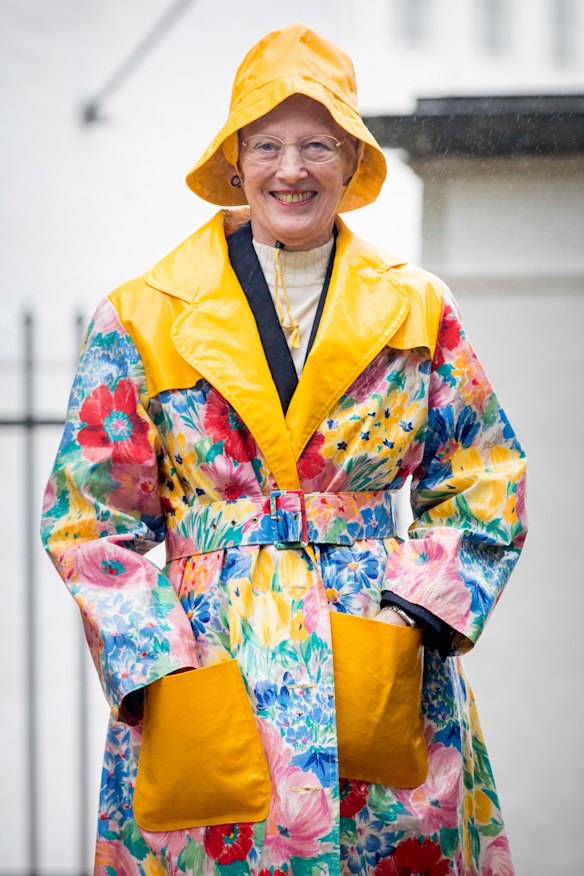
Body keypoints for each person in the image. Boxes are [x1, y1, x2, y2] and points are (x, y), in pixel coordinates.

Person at [41, 23, 527, 876]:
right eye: (266, 144)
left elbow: (485, 477)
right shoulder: (143, 314)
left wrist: (408, 617)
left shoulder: (418, 308)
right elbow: (88, 521)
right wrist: (161, 668)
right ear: (235, 161)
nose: (290, 169)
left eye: (315, 145)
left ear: (351, 159)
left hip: (377, 651)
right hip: (207, 660)